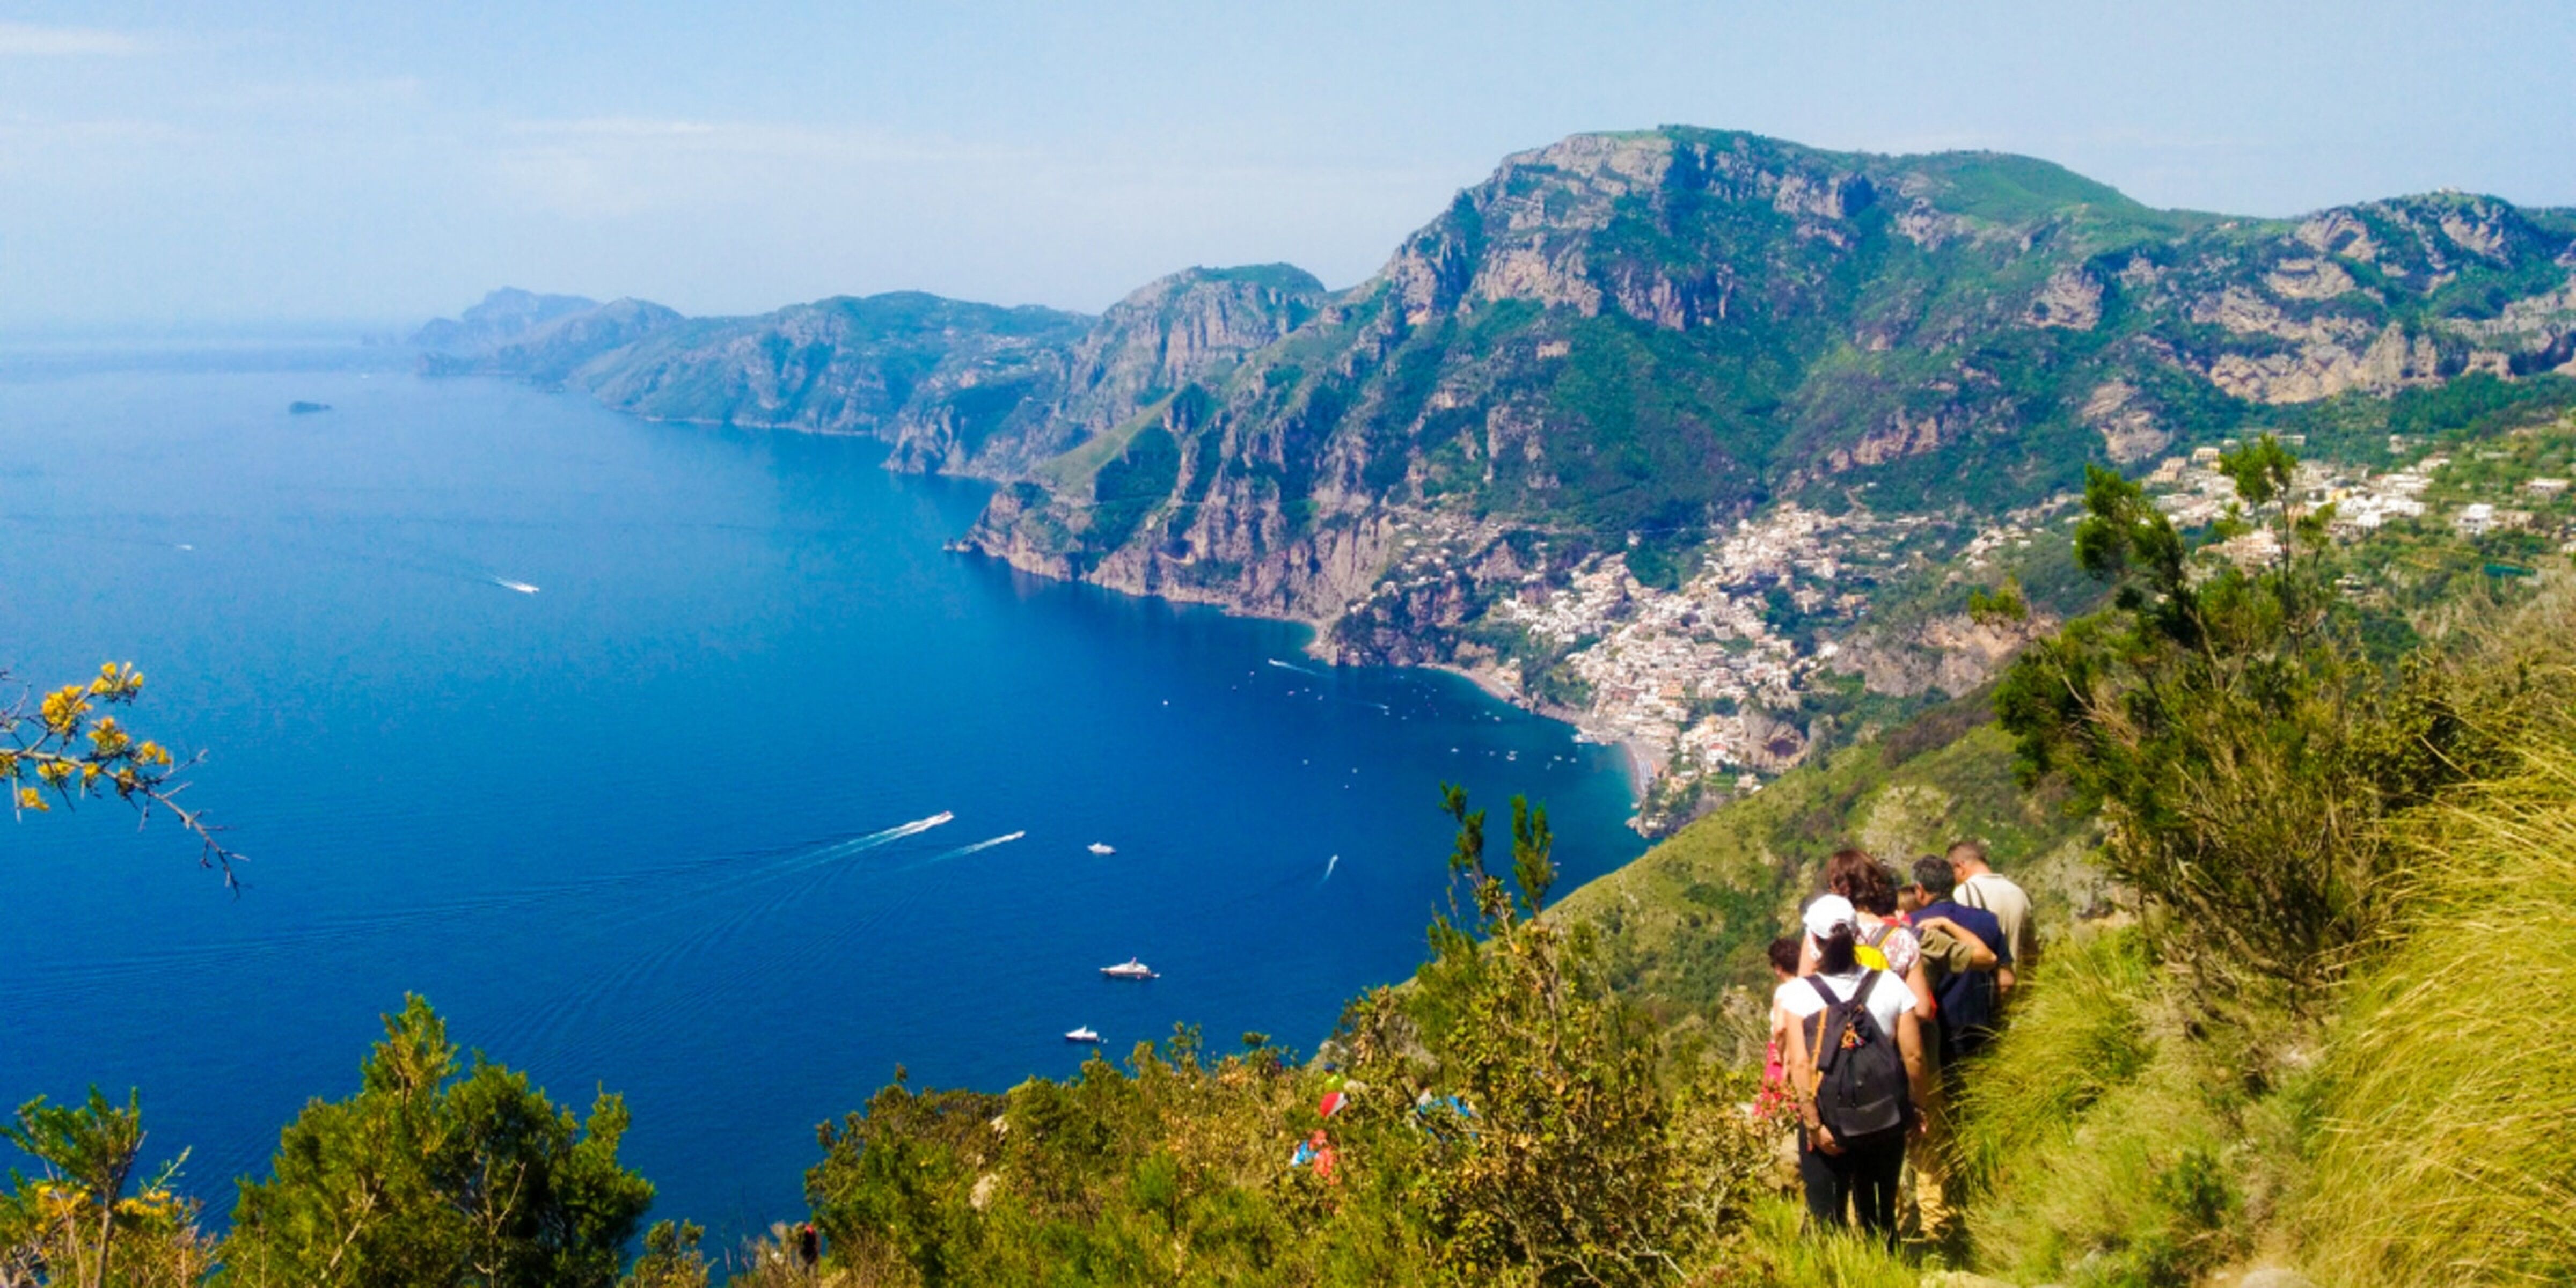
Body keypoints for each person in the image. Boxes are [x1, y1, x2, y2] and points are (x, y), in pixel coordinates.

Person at [1780, 894, 1930, 1243]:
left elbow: (1801, 1064)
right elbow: (1914, 1057)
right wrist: (1917, 1107)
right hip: (1884, 1117)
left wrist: (1813, 1125)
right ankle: (1885, 1274)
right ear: (1857, 935)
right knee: (1879, 1216)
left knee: (1826, 1217)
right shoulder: (1890, 984)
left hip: (1829, 1122)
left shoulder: (1799, 995)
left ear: (1814, 942)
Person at [1902, 855, 2010, 1059]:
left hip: (1936, 1033)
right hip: (1980, 1028)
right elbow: (2006, 981)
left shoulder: (1912, 927)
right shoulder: (1987, 920)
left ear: (1919, 890)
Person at [1947, 841, 2035, 993]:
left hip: (1983, 993)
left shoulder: (1964, 894)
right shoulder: (2019, 893)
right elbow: (2031, 950)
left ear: (1960, 867)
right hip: (2018, 990)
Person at [1760, 935, 1802, 1122]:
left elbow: (1780, 1028)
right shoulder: (1809, 987)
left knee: (1771, 1109)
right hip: (1804, 1051)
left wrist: (1781, 1050)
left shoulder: (1783, 992)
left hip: (1782, 1052)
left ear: (1779, 968)